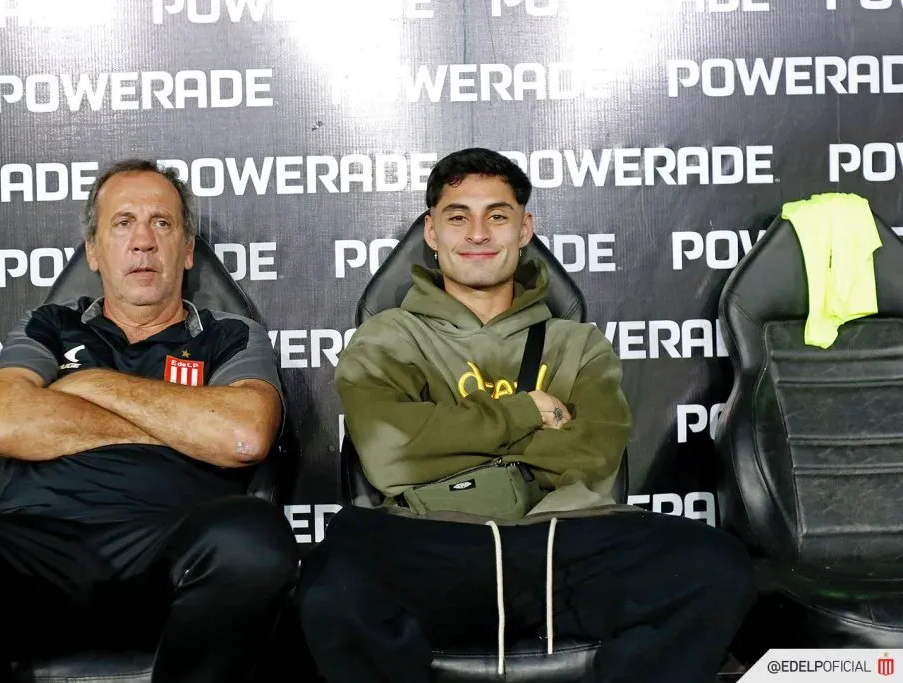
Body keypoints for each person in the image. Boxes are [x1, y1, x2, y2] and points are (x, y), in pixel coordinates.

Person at [296, 148, 756, 683]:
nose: (477, 233)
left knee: (714, 569)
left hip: (564, 542)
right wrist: (524, 412)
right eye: (457, 216)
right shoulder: (388, 337)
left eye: (497, 215)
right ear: (432, 232)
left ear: (524, 228)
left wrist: (444, 439)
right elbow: (391, 452)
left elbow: (592, 453)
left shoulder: (577, 344)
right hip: (431, 543)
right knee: (333, 589)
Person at [0, 159, 298, 683]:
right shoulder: (49, 325)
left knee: (253, 540)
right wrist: (180, 424)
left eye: (162, 223)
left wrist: (87, 384)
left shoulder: (228, 335)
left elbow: (243, 435)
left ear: (187, 250)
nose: (143, 241)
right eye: (122, 223)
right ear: (94, 253)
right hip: (33, 548)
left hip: (167, 551)